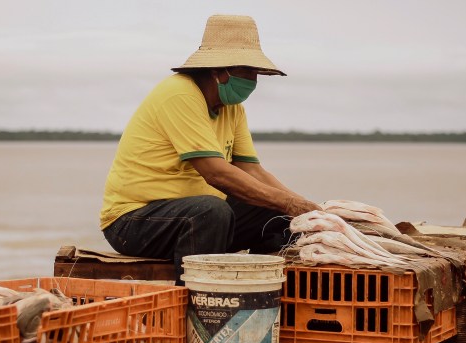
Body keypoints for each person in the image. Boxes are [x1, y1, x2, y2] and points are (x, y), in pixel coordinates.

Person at [100, 15, 321, 285]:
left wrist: (308, 210)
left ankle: (261, 290)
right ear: (218, 70)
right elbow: (216, 174)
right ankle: (201, 310)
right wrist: (290, 203)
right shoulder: (180, 94)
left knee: (273, 212)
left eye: (255, 73)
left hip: (199, 218)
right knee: (211, 211)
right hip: (133, 221)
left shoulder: (233, 109)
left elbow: (252, 170)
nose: (253, 80)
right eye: (246, 71)